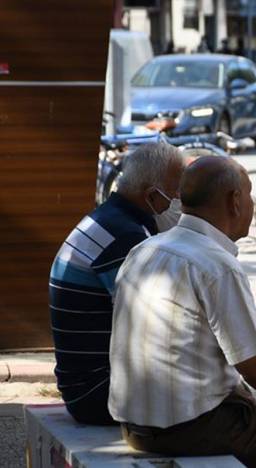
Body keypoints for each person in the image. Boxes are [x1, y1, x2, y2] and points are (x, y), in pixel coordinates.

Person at [108, 157, 256, 468]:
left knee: (252, 409)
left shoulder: (145, 250)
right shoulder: (216, 265)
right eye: (249, 194)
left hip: (134, 425)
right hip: (186, 428)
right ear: (235, 201)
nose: (252, 203)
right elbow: (253, 365)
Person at [49, 142, 184, 425]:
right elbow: (158, 326)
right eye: (176, 193)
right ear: (151, 195)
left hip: (86, 385)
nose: (180, 201)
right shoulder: (125, 237)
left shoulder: (110, 218)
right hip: (98, 393)